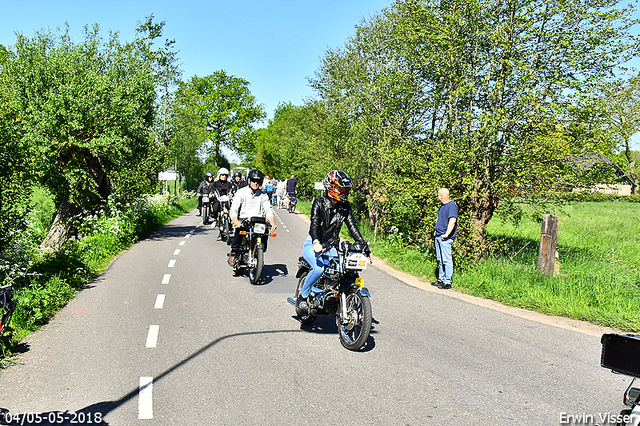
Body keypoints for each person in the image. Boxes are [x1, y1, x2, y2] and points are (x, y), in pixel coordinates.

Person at [295, 170, 370, 316]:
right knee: (318, 269)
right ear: (330, 187)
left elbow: (353, 227)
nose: (343, 192)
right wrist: (316, 242)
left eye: (346, 189)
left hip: (332, 245)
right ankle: (302, 297)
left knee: (345, 270)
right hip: (313, 243)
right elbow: (314, 225)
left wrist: (364, 247)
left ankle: (339, 298)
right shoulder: (319, 203)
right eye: (340, 188)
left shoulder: (345, 207)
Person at [228, 169, 277, 267]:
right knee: (239, 230)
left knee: (265, 231)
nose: (256, 183)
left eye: (258, 181)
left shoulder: (263, 195)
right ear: (249, 180)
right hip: (244, 220)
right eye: (254, 181)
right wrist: (235, 220)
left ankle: (260, 253)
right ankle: (233, 252)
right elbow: (234, 209)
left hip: (258, 221)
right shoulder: (241, 192)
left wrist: (272, 222)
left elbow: (268, 210)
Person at [432, 188, 458, 290]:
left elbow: (452, 221)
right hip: (438, 235)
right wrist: (436, 230)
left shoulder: (452, 206)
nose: (438, 197)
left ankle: (447, 281)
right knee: (440, 259)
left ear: (442, 196)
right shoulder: (443, 206)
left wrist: (447, 234)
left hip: (445, 237)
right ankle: (441, 279)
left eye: (439, 195)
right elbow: (439, 218)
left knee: (446, 259)